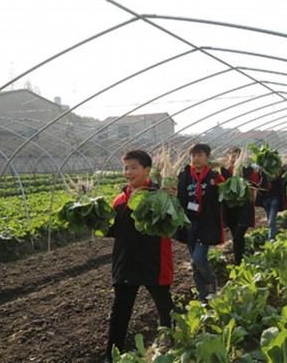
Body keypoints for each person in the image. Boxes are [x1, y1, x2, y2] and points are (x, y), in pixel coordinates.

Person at [105, 149, 174, 361]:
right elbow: (111, 232)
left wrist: (173, 200)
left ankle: (169, 336)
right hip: (126, 261)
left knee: (163, 303)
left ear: (147, 170)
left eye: (133, 167)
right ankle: (112, 355)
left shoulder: (159, 195)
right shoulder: (119, 200)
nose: (128, 172)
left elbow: (173, 224)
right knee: (120, 311)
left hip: (154, 259)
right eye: (125, 168)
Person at [176, 143, 225, 304]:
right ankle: (202, 296)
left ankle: (211, 280)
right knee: (194, 263)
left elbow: (224, 195)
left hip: (206, 223)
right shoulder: (184, 175)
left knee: (197, 259)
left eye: (199, 155)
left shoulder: (213, 176)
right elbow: (178, 195)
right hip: (189, 222)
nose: (196, 159)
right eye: (193, 156)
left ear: (207, 157)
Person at [220, 147, 260, 265]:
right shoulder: (224, 172)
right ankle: (239, 257)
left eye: (238, 157)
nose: (235, 159)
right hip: (230, 208)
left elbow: (258, 183)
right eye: (233, 157)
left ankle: (238, 261)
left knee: (239, 234)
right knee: (235, 235)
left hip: (245, 208)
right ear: (228, 158)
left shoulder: (248, 171)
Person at [255, 167, 287, 241]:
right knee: (270, 220)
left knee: (271, 221)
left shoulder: (276, 171)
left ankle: (271, 239)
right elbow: (257, 182)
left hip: (274, 199)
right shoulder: (261, 171)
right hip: (265, 200)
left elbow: (284, 181)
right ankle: (275, 236)